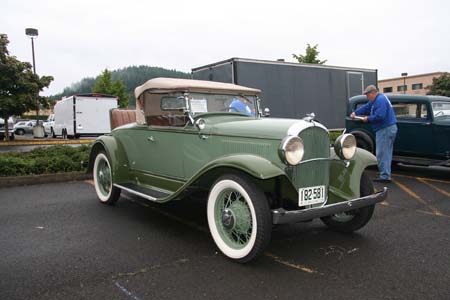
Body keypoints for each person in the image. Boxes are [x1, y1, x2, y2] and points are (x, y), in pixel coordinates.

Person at [351, 85, 397, 183]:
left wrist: (367, 118)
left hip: (385, 129)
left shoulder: (380, 100)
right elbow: (366, 107)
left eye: (367, 95)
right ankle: (385, 174)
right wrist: (356, 113)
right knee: (386, 152)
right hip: (388, 128)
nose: (367, 97)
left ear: (372, 93)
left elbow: (380, 116)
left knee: (382, 153)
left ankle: (384, 176)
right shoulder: (378, 99)